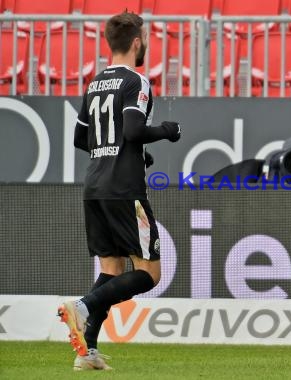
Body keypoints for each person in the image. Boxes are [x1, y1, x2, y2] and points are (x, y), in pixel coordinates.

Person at [58, 12, 181, 371]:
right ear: (138, 43)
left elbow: (81, 138)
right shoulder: (136, 81)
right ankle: (81, 307)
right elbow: (132, 130)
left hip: (94, 185)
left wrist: (137, 151)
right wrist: (166, 131)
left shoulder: (95, 83)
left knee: (111, 268)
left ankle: (88, 352)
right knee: (149, 273)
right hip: (124, 189)